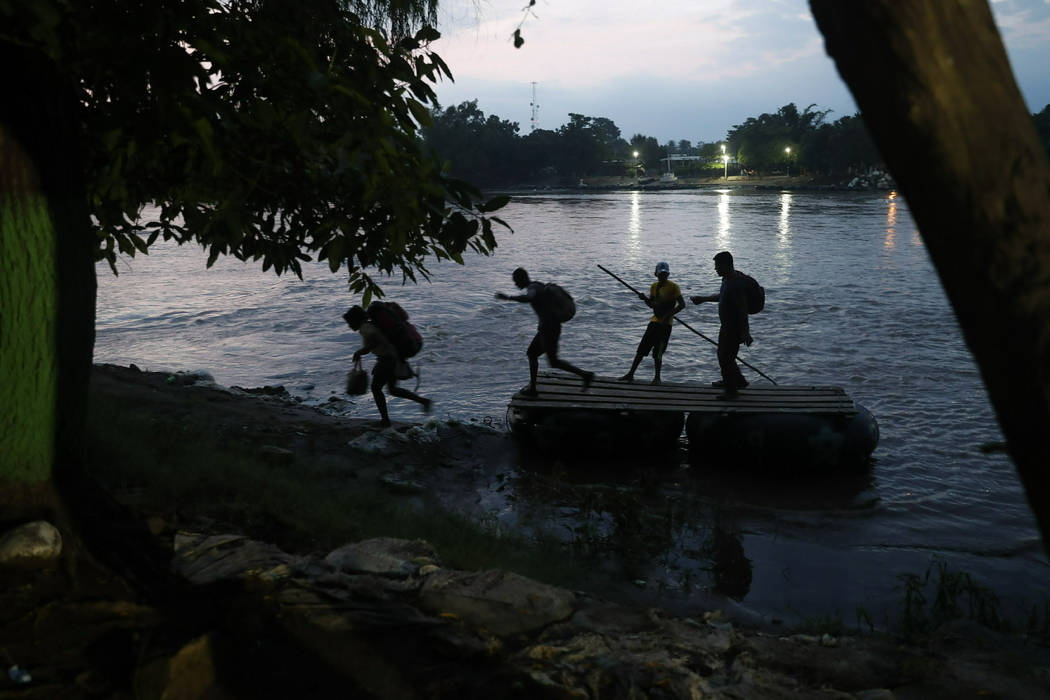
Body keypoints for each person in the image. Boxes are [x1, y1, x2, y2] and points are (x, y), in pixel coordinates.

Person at [495, 267, 595, 397]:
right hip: (549, 327)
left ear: (522, 278)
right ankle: (533, 388)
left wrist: (508, 298)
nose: (515, 284)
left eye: (516, 281)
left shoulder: (532, 289)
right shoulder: (538, 285)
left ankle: (585, 375)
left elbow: (529, 298)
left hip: (549, 329)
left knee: (552, 361)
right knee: (532, 354)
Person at [343, 305, 430, 427]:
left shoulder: (365, 328)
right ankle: (423, 401)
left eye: (349, 323)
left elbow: (376, 341)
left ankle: (385, 421)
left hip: (387, 359)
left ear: (355, 320)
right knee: (393, 389)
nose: (349, 326)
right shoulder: (370, 325)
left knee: (376, 388)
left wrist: (360, 352)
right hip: (393, 357)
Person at [690, 251, 753, 399]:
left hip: (733, 327)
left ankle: (731, 391)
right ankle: (739, 381)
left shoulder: (736, 283)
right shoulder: (726, 279)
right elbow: (722, 297)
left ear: (726, 265)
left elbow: (742, 309)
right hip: (726, 326)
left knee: (725, 358)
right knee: (726, 356)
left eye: (717, 266)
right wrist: (703, 299)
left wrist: (745, 332)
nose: (715, 269)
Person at [620, 261, 686, 384]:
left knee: (658, 351)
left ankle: (657, 378)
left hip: (666, 325)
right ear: (655, 273)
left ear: (668, 274)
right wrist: (644, 299)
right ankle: (630, 374)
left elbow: (682, 305)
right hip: (654, 321)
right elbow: (652, 305)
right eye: (660, 274)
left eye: (665, 274)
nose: (663, 276)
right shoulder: (654, 286)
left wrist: (668, 315)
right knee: (642, 349)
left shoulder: (674, 287)